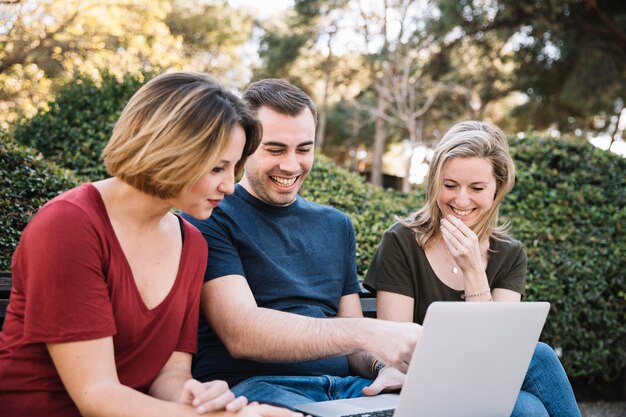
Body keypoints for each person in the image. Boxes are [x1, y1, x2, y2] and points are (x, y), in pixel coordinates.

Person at [0, 71, 299, 417]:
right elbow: (95, 394)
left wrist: (195, 398)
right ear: (171, 151)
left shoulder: (192, 244)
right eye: (218, 168)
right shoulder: (69, 225)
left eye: (233, 169)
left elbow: (170, 374)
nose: (230, 187)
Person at [182, 78, 421, 409]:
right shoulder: (211, 216)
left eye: (304, 149)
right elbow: (241, 334)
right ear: (244, 146)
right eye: (275, 149)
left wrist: (384, 368)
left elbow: (353, 344)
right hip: (257, 389)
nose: (291, 165)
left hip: (346, 388)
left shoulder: (336, 226)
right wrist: (366, 332)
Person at [363, 120, 582, 417]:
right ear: (435, 183)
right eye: (450, 185)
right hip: (423, 384)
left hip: (486, 381)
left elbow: (497, 352)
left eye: (477, 188)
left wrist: (474, 272)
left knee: (529, 407)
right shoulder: (401, 242)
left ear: (497, 189)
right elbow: (397, 347)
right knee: (537, 362)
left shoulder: (509, 253)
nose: (461, 200)